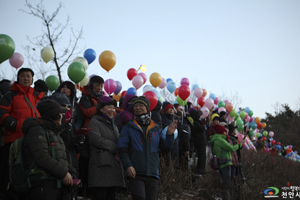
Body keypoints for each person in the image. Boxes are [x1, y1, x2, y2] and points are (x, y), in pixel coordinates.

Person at [117, 96, 177, 200]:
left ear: (147, 108)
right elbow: (122, 149)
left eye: (141, 105)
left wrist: (169, 135)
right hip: (136, 172)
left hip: (152, 173)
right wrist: (128, 166)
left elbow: (165, 149)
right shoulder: (128, 127)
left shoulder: (156, 128)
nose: (138, 108)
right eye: (135, 106)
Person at [0, 68, 43, 198]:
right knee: (10, 175)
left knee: (27, 174)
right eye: (23, 76)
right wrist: (15, 125)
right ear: (18, 78)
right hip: (14, 141)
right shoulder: (10, 95)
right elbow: (1, 112)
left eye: (28, 76)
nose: (26, 78)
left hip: (32, 141)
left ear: (32, 80)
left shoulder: (36, 97)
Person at [22, 99, 76, 200]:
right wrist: (64, 172)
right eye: (60, 113)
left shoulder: (53, 131)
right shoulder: (37, 130)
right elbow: (42, 157)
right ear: (54, 115)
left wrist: (71, 171)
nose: (62, 116)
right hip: (43, 183)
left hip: (56, 181)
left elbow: (60, 157)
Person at [87, 96, 124, 200]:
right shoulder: (95, 122)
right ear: (101, 108)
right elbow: (95, 139)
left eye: (113, 107)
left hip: (113, 167)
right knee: (101, 195)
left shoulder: (113, 125)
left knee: (111, 195)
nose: (112, 110)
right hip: (100, 166)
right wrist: (114, 147)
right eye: (109, 107)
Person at [210, 124, 245, 200]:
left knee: (227, 185)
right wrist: (240, 144)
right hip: (225, 165)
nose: (226, 133)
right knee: (227, 186)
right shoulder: (220, 140)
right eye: (225, 132)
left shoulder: (216, 140)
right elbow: (231, 148)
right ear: (221, 132)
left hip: (222, 164)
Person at [189, 108, 207, 174]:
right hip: (200, 140)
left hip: (200, 140)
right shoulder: (195, 122)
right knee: (202, 155)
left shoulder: (195, 122)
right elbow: (201, 128)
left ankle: (201, 168)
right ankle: (200, 168)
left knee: (202, 155)